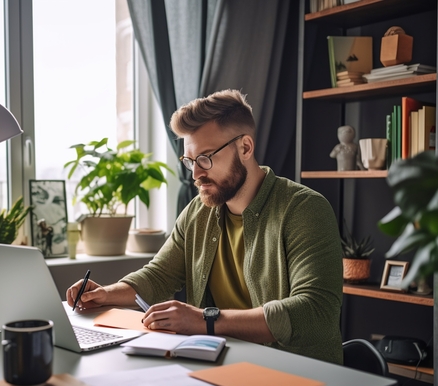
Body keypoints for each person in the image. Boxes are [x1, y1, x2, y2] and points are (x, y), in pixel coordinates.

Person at [66, 89, 344, 364]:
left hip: (297, 372)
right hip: (221, 363)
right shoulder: (199, 211)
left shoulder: (304, 209)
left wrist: (204, 320)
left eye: (206, 158)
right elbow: (159, 276)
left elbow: (315, 312)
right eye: (190, 161)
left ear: (245, 147)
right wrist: (105, 294)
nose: (196, 174)